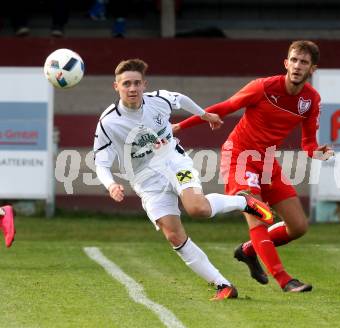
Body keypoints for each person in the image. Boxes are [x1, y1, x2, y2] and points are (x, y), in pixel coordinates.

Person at [93, 58, 273, 301]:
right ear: (117, 87)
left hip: (173, 161)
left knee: (197, 208)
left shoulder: (158, 100)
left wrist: (205, 114)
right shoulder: (108, 122)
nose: (132, 88)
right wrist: (111, 184)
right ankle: (223, 285)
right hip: (145, 180)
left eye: (137, 83)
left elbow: (180, 98)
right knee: (174, 235)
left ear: (144, 84)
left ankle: (244, 203)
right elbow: (101, 162)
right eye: (126, 84)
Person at [174, 40, 334, 293]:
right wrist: (181, 126)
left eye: (303, 62)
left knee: (299, 227)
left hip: (268, 161)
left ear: (312, 69)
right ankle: (285, 280)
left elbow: (308, 144)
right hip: (240, 155)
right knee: (260, 218)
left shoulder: (311, 100)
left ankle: (248, 250)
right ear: (286, 63)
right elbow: (225, 107)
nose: (297, 66)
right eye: (293, 60)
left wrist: (318, 152)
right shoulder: (263, 86)